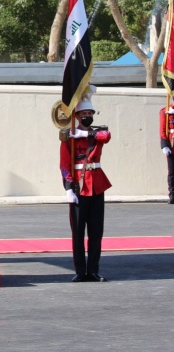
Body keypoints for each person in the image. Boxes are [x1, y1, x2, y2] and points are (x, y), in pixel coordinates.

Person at [59, 94, 112, 283]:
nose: (88, 116)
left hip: (96, 186)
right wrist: (68, 188)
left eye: (90, 113)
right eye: (84, 113)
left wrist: (84, 134)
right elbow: (65, 165)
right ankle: (80, 271)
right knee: (78, 233)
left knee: (96, 232)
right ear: (77, 116)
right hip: (78, 187)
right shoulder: (68, 137)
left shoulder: (97, 133)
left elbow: (105, 136)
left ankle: (94, 271)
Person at [159, 102, 174, 204]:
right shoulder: (165, 111)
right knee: (172, 171)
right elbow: (162, 129)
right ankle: (172, 195)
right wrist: (164, 145)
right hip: (172, 145)